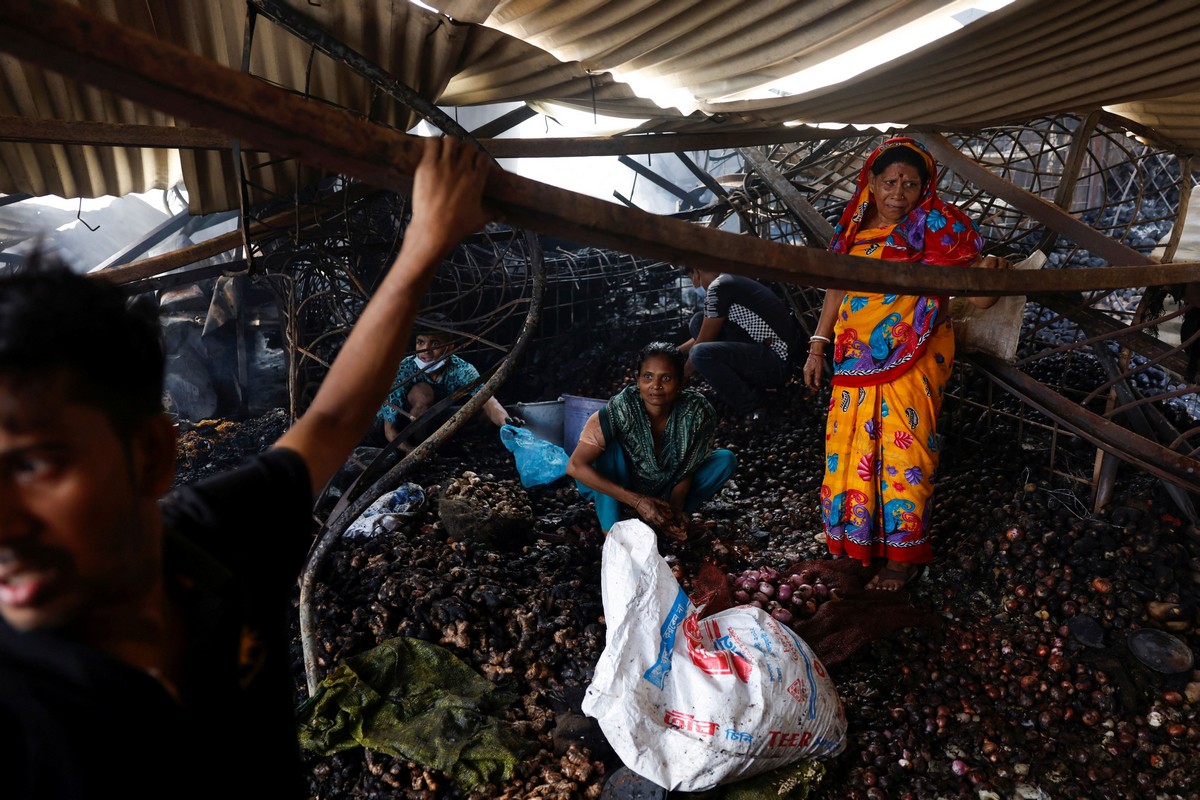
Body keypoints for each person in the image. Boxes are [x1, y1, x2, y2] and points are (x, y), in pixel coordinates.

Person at [0, 136, 493, 799]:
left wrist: (426, 242)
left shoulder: (212, 543)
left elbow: (332, 420)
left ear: (150, 455)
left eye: (31, 465)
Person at [802, 136, 1008, 591]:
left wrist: (992, 270)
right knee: (849, 447)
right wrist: (817, 344)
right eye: (890, 181)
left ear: (925, 187)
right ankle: (861, 543)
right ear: (871, 182)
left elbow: (983, 293)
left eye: (911, 184)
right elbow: (836, 286)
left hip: (914, 356)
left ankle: (901, 559)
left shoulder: (938, 227)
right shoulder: (853, 224)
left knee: (904, 450)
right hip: (853, 359)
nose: (899, 193)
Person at [567, 342, 736, 540]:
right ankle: (611, 529)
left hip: (662, 488)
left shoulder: (696, 413)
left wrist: (672, 514)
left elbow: (687, 469)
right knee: (610, 448)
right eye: (648, 377)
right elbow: (575, 466)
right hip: (617, 488)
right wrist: (637, 501)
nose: (656, 386)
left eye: (666, 378)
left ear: (681, 381)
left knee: (725, 460)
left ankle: (659, 519)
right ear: (637, 380)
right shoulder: (619, 411)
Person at [374, 312, 520, 446]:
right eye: (420, 342)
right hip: (404, 428)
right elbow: (390, 429)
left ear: (449, 348)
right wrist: (410, 452)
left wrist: (506, 424)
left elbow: (489, 400)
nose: (426, 350)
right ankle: (422, 443)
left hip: (439, 421)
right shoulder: (404, 369)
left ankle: (448, 444)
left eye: (435, 343)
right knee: (423, 392)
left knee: (484, 414)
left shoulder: (461, 369)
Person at [678, 267, 799, 421]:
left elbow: (703, 341)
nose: (694, 285)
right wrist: (674, 352)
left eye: (690, 279)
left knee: (700, 354)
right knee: (698, 321)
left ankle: (752, 407)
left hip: (777, 363)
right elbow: (704, 333)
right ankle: (750, 388)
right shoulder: (728, 279)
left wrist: (681, 376)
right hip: (767, 351)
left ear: (697, 272)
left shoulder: (718, 288)